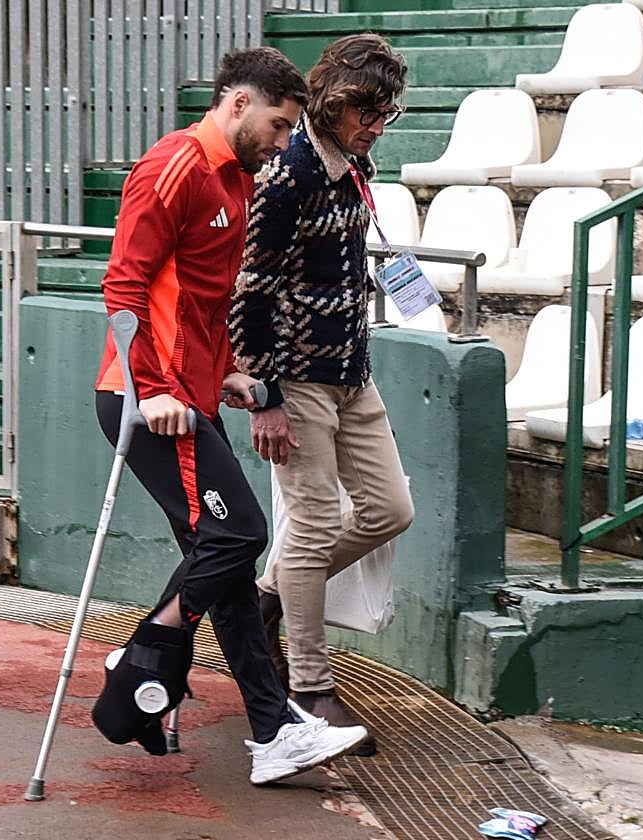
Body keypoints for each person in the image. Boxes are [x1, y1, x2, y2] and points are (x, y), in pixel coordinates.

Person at [90, 46, 369, 785]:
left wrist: (230, 377)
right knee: (240, 532)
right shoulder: (175, 166)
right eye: (277, 126)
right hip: (150, 401)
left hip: (192, 395)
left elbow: (204, 304)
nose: (282, 143)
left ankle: (274, 732)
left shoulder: (240, 178)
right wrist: (153, 390)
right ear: (238, 103)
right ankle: (144, 653)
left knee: (234, 572)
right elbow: (125, 286)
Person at [229, 33, 416, 756]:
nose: (376, 126)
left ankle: (268, 597)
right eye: (366, 112)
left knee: (389, 509)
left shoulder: (356, 162)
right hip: (298, 378)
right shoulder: (289, 173)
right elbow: (252, 291)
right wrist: (266, 395)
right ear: (334, 102)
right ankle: (308, 687)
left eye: (386, 114)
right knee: (309, 527)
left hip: (352, 372)